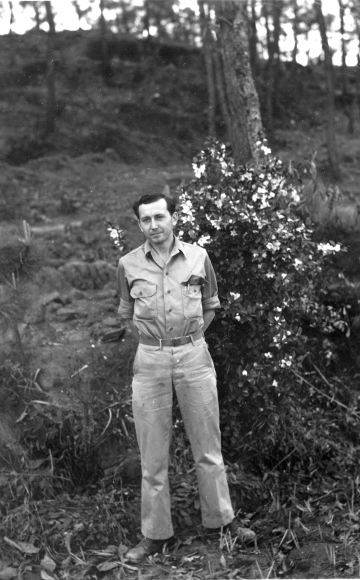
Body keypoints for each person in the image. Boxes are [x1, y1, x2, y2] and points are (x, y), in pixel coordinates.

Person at [117, 193, 255, 563]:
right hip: (150, 361)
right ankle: (155, 536)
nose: (154, 226)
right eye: (145, 220)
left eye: (160, 217)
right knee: (152, 454)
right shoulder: (128, 264)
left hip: (194, 356)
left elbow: (210, 306)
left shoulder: (199, 257)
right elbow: (127, 314)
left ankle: (222, 523)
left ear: (174, 217)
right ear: (139, 225)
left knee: (208, 448)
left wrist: (186, 340)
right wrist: (158, 344)